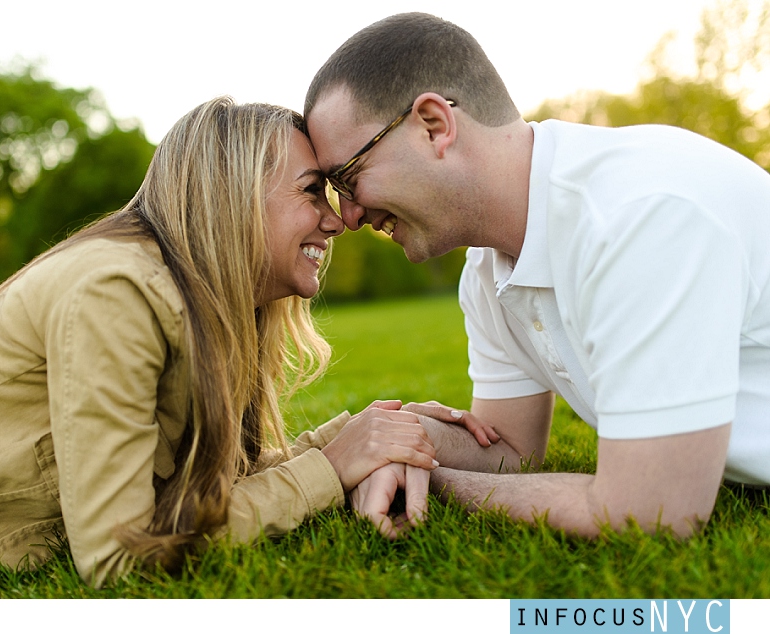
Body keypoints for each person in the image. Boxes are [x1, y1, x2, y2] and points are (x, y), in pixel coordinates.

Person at [0, 96, 446, 594]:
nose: (337, 220)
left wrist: (355, 439)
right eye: (310, 192)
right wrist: (329, 468)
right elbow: (120, 555)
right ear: (233, 196)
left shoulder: (206, 305)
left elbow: (205, 491)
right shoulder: (115, 292)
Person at [303, 12, 770, 539]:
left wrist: (431, 481)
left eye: (349, 177)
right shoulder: (487, 267)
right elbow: (508, 448)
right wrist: (392, 438)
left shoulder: (641, 215)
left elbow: (652, 511)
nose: (348, 216)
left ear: (434, 124)